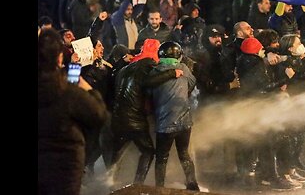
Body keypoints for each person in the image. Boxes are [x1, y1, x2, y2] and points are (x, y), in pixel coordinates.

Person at [38, 29, 107, 195]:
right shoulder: (67, 91)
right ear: (59, 57)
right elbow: (99, 115)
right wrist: (88, 89)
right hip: (66, 170)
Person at [110, 39, 183, 184]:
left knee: (118, 151)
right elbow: (147, 82)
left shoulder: (128, 66)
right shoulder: (148, 64)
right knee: (148, 150)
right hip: (134, 118)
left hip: (117, 116)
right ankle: (138, 184)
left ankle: (108, 181)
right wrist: (171, 73)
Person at [148, 41, 200, 190]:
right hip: (184, 121)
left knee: (162, 158)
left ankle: (160, 188)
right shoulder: (183, 68)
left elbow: (149, 93)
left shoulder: (154, 72)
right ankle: (192, 185)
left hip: (164, 122)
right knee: (184, 154)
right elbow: (192, 83)